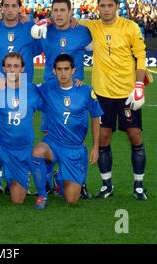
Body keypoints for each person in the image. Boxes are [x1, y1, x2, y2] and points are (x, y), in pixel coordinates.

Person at [78, 0, 148, 200]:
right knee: (103, 139)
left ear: (117, 6)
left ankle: (138, 186)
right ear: (97, 7)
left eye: (110, 5)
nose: (106, 9)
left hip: (127, 93)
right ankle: (106, 186)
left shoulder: (130, 27)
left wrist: (138, 86)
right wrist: (44, 20)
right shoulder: (93, 26)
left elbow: (141, 55)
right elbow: (66, 21)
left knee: (135, 137)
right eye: (102, 6)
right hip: (102, 94)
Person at [0, 0, 42, 195]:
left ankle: (23, 176)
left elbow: (42, 44)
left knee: (23, 132)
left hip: (22, 90)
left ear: (20, 8)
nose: (10, 9)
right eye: (6, 6)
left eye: (14, 5)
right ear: (1, 9)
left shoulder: (29, 30)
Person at [31, 0, 94, 199]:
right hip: (51, 93)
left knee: (79, 141)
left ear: (70, 13)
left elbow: (101, 40)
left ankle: (80, 182)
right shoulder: (44, 31)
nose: (59, 14)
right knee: (50, 136)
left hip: (75, 93)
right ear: (51, 12)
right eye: (55, 10)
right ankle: (47, 182)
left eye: (62, 10)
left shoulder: (82, 31)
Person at [0, 52, 47, 210]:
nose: (12, 70)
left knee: (17, 200)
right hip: (0, 146)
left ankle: (20, 177)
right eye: (9, 66)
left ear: (23, 69)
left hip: (22, 150)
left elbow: (52, 99)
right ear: (4, 69)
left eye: (16, 66)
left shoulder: (32, 90)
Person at [33, 54, 103, 204]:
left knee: (71, 201)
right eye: (59, 69)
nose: (63, 73)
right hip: (53, 143)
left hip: (74, 148)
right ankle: (42, 195)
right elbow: (26, 90)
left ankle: (60, 178)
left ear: (73, 70)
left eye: (66, 69)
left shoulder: (85, 90)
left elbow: (96, 117)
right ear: (54, 71)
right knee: (38, 151)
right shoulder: (47, 88)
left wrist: (96, 147)